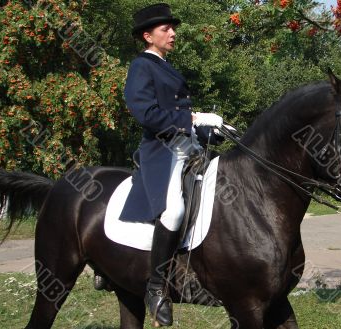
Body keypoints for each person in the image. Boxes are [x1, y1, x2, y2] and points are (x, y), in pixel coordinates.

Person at [121, 3, 224, 327]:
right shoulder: (142, 66)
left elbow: (180, 116)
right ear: (147, 35)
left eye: (172, 28)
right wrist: (191, 118)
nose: (173, 33)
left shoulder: (169, 68)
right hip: (161, 153)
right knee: (174, 211)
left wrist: (208, 127)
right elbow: (146, 113)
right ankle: (155, 287)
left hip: (187, 148)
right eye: (165, 29)